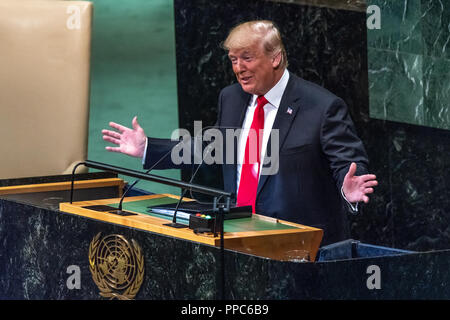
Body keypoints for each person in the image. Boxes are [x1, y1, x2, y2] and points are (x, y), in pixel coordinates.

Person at [102, 20, 377, 245]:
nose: (238, 69)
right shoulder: (232, 98)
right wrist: (148, 147)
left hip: (300, 243)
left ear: (275, 58)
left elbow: (347, 162)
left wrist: (346, 187)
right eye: (233, 60)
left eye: (247, 58)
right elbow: (211, 147)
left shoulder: (322, 107)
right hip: (238, 234)